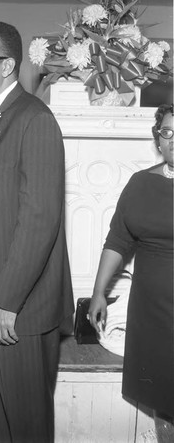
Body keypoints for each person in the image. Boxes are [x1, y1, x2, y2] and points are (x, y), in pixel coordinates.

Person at [0, 21, 74, 443]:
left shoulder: (35, 120)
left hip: (18, 306)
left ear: (7, 66)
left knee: (25, 426)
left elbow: (40, 220)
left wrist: (8, 300)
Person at [88, 103, 174, 443]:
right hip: (151, 313)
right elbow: (118, 239)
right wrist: (98, 292)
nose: (172, 141)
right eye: (166, 133)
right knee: (163, 399)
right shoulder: (140, 184)